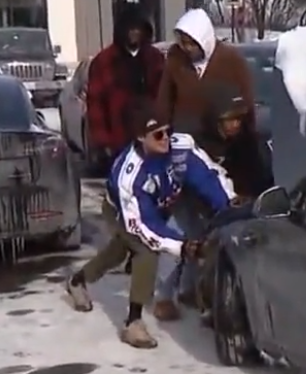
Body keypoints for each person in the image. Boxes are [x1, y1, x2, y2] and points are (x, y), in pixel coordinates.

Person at [63, 102, 236, 349]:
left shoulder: (180, 146)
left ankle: (77, 281)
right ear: (140, 137)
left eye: (168, 130)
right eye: (158, 134)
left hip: (161, 204)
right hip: (123, 211)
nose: (166, 138)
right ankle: (133, 323)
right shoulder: (130, 176)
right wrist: (182, 246)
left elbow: (207, 175)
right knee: (145, 250)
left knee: (119, 251)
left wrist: (227, 204)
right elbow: (145, 227)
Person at [154, 82, 271, 322]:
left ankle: (192, 289)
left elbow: (259, 173)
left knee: (213, 241)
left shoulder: (247, 142)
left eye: (238, 119)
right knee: (180, 233)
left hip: (225, 200)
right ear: (215, 120)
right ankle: (163, 296)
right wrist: (226, 200)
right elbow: (203, 176)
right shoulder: (193, 142)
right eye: (229, 120)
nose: (235, 125)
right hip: (185, 195)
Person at [84, 8, 164, 174]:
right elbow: (96, 105)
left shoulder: (155, 59)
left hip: (151, 138)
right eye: (130, 29)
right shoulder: (104, 62)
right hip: (118, 141)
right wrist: (103, 141)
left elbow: (164, 97)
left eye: (138, 29)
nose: (135, 33)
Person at [157, 9, 254, 131]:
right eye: (184, 43)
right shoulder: (176, 58)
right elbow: (164, 102)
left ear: (204, 40)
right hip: (184, 139)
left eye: (193, 44)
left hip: (220, 141)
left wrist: (248, 137)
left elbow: (246, 102)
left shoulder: (231, 60)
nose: (188, 48)